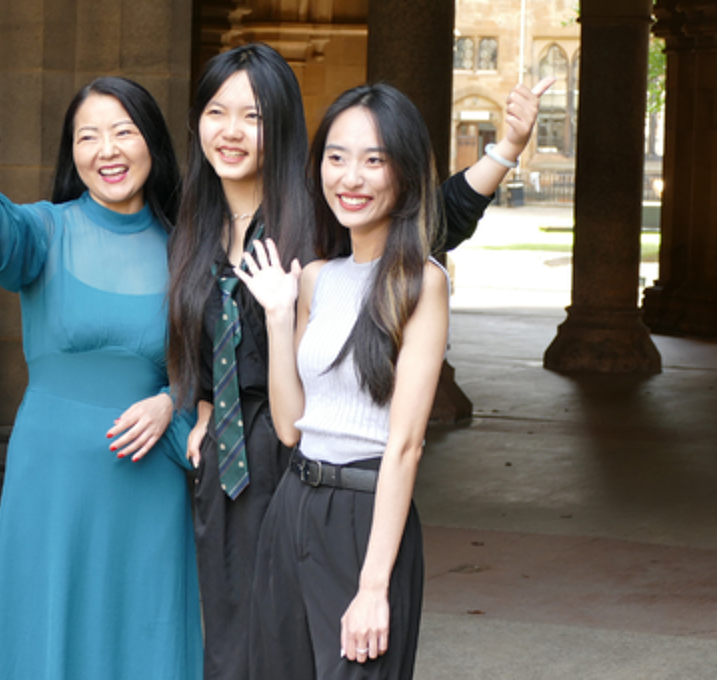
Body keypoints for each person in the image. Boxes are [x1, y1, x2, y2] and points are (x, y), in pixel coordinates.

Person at [166, 43, 549, 679]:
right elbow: (200, 334)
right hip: (239, 470)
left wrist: (504, 151)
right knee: (241, 652)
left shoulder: (314, 220)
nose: (231, 131)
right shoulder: (192, 224)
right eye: (216, 111)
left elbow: (428, 220)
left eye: (252, 115)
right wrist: (201, 399)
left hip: (304, 461)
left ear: (283, 125)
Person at [0, 76, 202, 679]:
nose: (108, 150)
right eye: (88, 136)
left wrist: (168, 400)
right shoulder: (47, 231)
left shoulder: (187, 252)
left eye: (124, 132)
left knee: (143, 636)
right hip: (52, 480)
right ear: (72, 153)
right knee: (46, 635)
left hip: (147, 482)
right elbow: (3, 234)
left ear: (152, 142)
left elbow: (210, 367)